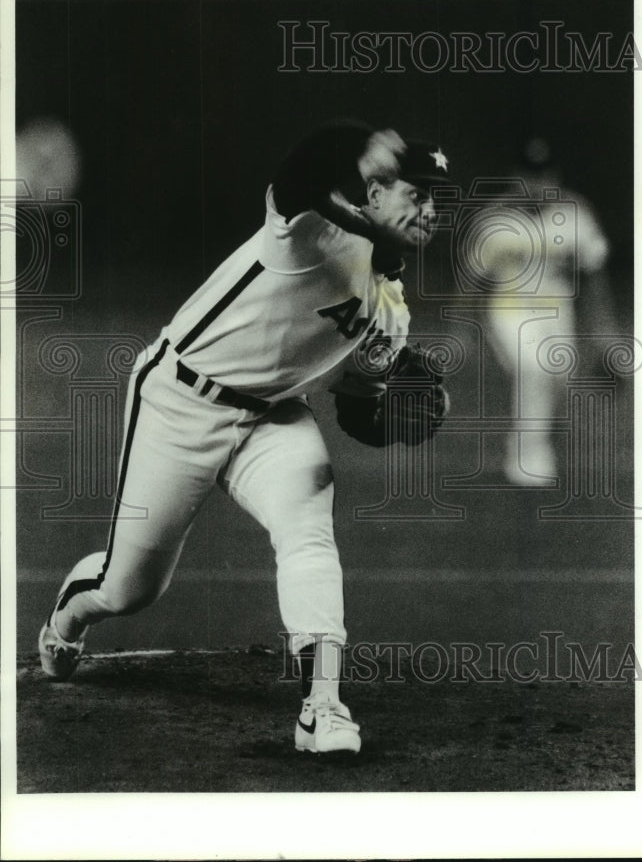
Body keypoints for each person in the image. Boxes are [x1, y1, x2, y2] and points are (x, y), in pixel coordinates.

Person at [37, 121, 450, 755]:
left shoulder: (392, 313)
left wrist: (395, 417)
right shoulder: (316, 232)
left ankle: (324, 706)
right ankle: (69, 615)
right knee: (130, 589)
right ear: (372, 190)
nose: (428, 208)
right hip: (179, 400)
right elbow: (297, 175)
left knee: (309, 522)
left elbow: (357, 410)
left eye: (436, 198)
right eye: (414, 192)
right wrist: (355, 139)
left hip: (272, 419)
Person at [481, 137, 612, 486]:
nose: (536, 183)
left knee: (557, 381)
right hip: (509, 311)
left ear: (554, 176)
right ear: (514, 176)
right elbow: (473, 278)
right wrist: (466, 327)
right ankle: (528, 462)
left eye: (543, 174)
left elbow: (594, 274)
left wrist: (604, 334)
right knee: (534, 369)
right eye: (528, 174)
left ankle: (529, 443)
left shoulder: (574, 214)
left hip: (557, 313)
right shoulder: (496, 218)